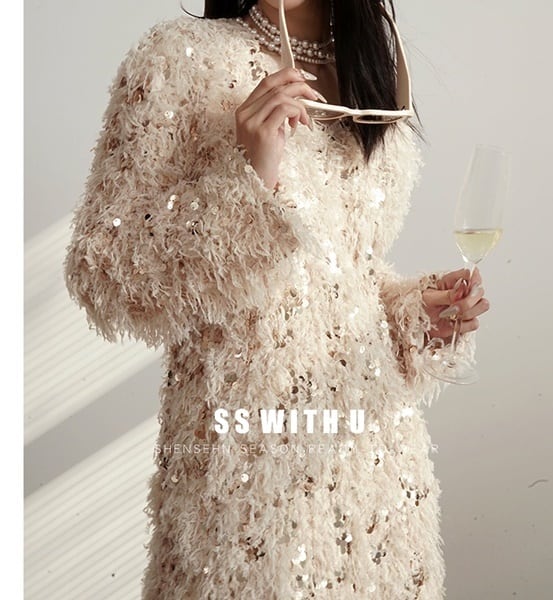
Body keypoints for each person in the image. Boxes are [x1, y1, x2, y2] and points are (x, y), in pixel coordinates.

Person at [63, 0, 489, 598]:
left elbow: (345, 273)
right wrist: (250, 179)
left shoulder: (373, 75)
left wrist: (417, 314)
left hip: (375, 472)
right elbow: (102, 272)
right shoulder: (177, 59)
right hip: (243, 476)